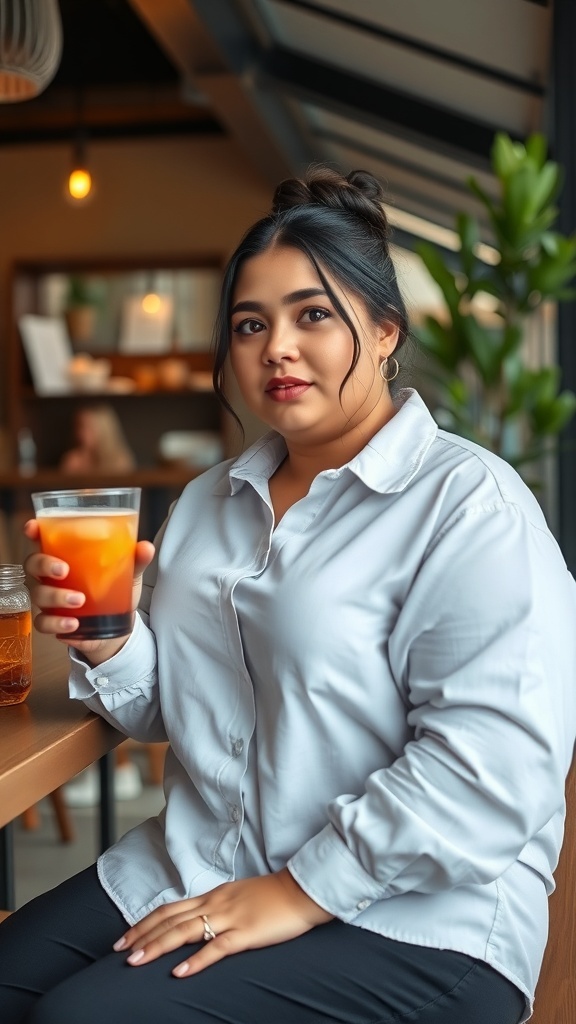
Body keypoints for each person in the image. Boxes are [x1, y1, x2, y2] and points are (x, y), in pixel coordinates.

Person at [1, 167, 575, 1024]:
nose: (277, 346)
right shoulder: (208, 502)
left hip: (414, 915)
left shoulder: (468, 505)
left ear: (384, 331)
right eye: (249, 323)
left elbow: (491, 767)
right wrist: (107, 638)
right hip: (200, 866)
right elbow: (178, 710)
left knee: (80, 1019)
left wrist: (299, 890)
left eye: (313, 315)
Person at [59, 403, 136, 475]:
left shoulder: (120, 462)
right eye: (77, 427)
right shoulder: (72, 460)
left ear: (103, 430)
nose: (79, 433)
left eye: (86, 427)